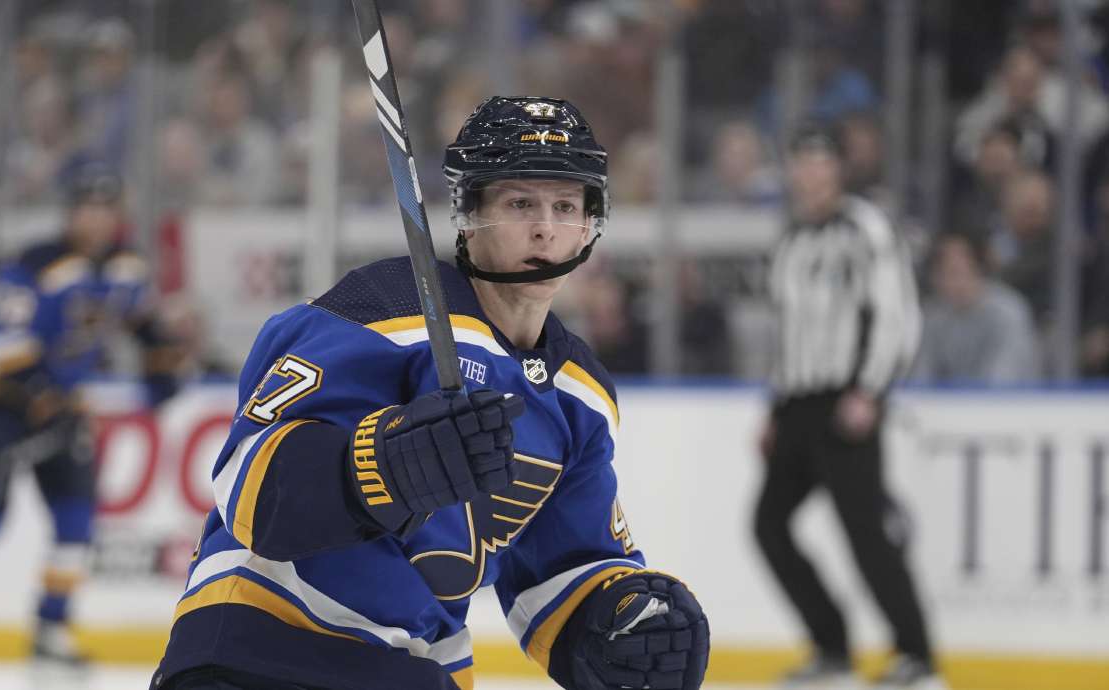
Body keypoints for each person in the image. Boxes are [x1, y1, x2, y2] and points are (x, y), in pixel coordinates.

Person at [150, 96, 710, 690]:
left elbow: (565, 567)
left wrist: (623, 620)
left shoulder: (580, 394)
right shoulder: (382, 310)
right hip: (258, 650)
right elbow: (250, 489)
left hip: (413, 672)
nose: (546, 226)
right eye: (520, 202)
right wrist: (382, 468)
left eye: (566, 205)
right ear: (470, 214)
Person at [0, 166, 185, 663]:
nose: (97, 219)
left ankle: (50, 628)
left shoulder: (127, 267)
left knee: (75, 520)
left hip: (60, 410)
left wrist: (162, 368)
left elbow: (144, 324)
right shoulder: (34, 264)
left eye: (106, 209)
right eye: (88, 208)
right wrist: (43, 398)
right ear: (71, 213)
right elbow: (3, 349)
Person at [753, 125, 946, 690]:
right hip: (798, 404)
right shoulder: (790, 239)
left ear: (839, 169)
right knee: (768, 526)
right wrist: (775, 404)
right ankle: (832, 644)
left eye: (819, 161)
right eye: (800, 162)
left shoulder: (866, 228)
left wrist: (872, 390)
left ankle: (918, 654)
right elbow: (786, 331)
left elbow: (896, 315)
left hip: (847, 402)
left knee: (865, 532)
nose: (809, 174)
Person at [911, 233, 1040, 385]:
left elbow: (1003, 378)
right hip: (948, 405)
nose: (956, 282)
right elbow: (921, 377)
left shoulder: (1008, 312)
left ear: (980, 269)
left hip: (1009, 405)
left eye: (961, 271)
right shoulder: (932, 316)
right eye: (946, 273)